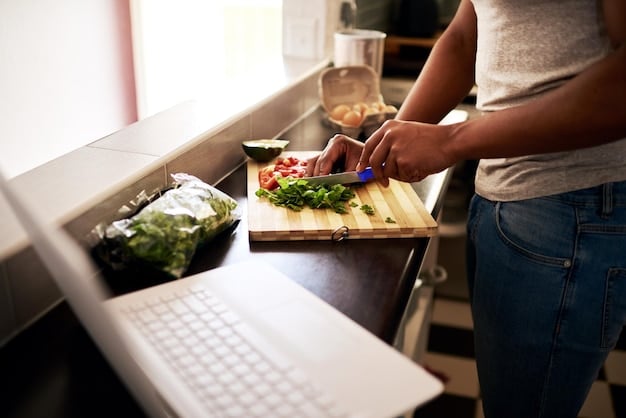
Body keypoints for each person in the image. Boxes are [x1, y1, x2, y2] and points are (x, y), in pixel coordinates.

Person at [308, 1, 626, 417]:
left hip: (571, 208)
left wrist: (450, 141)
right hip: (504, 199)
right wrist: (381, 148)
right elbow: (464, 35)